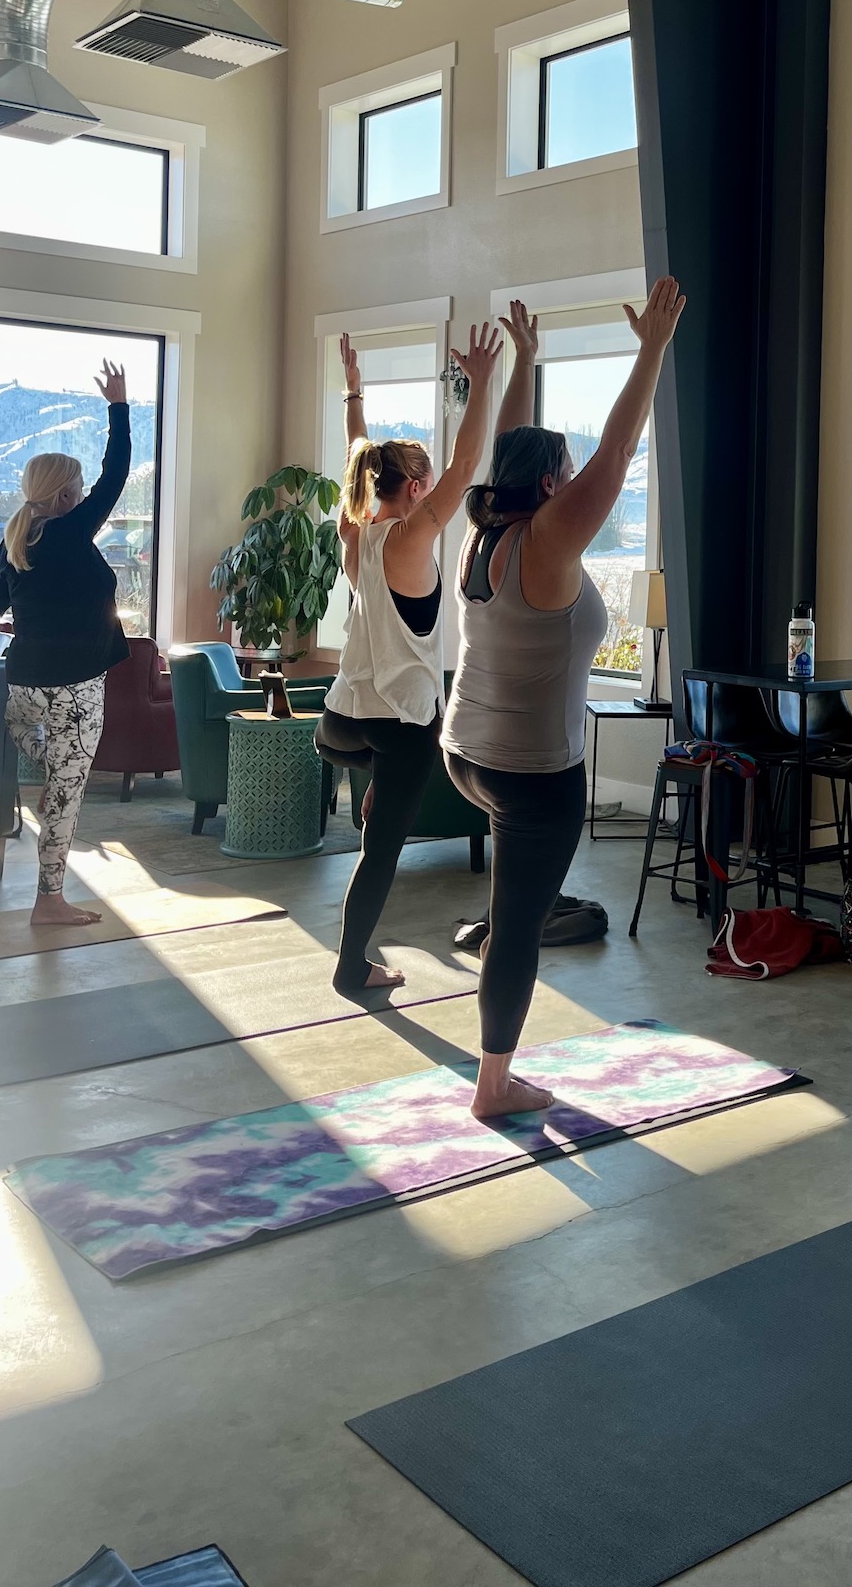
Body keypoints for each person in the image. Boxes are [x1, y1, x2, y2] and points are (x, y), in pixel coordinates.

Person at [443, 277, 685, 1119]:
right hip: (531, 771)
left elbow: (513, 448)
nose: (578, 480)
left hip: (466, 752)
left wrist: (526, 363)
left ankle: (495, 1057)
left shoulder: (484, 532)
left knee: (511, 911)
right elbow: (617, 455)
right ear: (552, 485)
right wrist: (652, 350)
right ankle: (494, 1085)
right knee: (518, 927)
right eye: (565, 473)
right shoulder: (546, 540)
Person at [317, 322, 502, 995]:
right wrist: (480, 382)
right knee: (380, 854)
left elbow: (356, 459)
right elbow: (467, 463)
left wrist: (354, 393)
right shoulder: (412, 537)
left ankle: (377, 785)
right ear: (418, 488)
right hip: (401, 724)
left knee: (384, 788)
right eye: (428, 482)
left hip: (340, 722)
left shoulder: (355, 531)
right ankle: (351, 968)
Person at [0, 361, 135, 925]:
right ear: (65, 495)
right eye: (77, 489)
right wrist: (119, 407)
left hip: (23, 685)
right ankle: (49, 900)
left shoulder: (16, 541)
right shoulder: (73, 530)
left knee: (37, 745)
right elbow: (117, 472)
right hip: (75, 688)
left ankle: (54, 772)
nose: (83, 495)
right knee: (66, 793)